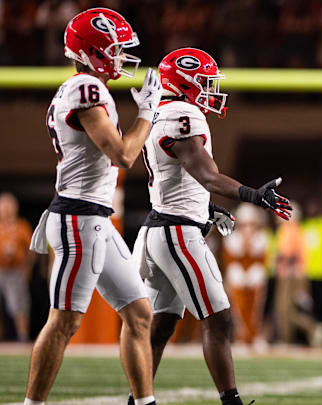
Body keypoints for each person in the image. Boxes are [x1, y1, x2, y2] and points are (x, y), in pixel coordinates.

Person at [132, 47, 292, 405]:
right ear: (185, 83)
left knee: (162, 326)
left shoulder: (163, 113)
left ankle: (137, 400)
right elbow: (206, 175)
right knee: (218, 320)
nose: (210, 89)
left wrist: (207, 209)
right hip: (177, 234)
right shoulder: (183, 114)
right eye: (204, 82)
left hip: (164, 228)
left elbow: (179, 181)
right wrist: (252, 194)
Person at [24, 8, 162, 405]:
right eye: (115, 49)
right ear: (94, 51)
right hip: (77, 220)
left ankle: (144, 402)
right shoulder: (87, 89)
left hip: (95, 219)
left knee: (139, 313)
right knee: (64, 321)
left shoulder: (85, 88)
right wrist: (148, 115)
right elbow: (123, 155)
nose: (121, 57)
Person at [273, 203, 322, 347]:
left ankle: (293, 336)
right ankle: (310, 329)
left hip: (290, 275)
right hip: (294, 274)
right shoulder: (296, 229)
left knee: (284, 310)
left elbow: (290, 255)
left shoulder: (289, 230)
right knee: (289, 310)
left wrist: (279, 258)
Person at [222, 203, 270, 347]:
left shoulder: (262, 238)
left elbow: (262, 260)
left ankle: (255, 335)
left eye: (251, 224)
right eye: (245, 224)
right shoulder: (231, 238)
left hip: (255, 277)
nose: (248, 228)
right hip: (237, 277)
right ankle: (242, 337)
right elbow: (230, 260)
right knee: (238, 309)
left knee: (255, 309)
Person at [0, 193, 35, 341]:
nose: (7, 209)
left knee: (19, 305)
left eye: (9, 206)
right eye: (4, 206)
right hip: (1, 270)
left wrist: (27, 270)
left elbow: (31, 251)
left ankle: (22, 337)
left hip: (16, 272)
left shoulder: (22, 226)